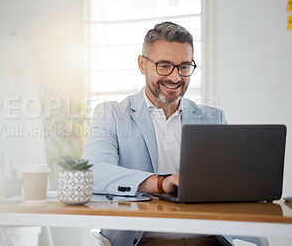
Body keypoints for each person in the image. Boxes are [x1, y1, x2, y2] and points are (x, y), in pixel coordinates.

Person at [82, 22, 231, 246]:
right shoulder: (111, 114)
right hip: (144, 241)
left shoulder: (213, 119)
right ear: (142, 65)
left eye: (183, 67)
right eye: (164, 66)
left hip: (209, 240)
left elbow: (232, 184)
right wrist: (160, 184)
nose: (175, 77)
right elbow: (94, 172)